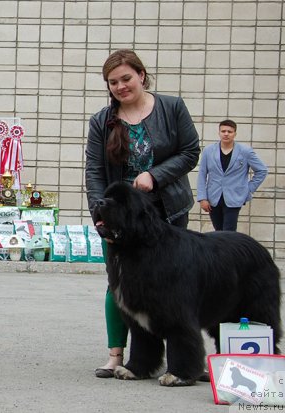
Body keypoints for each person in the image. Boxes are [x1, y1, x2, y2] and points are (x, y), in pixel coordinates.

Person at [84, 49, 200, 378]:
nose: (121, 86)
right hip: (122, 218)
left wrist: (156, 175)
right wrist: (100, 212)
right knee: (119, 285)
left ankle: (183, 357)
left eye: (126, 78)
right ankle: (117, 356)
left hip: (168, 210)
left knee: (174, 286)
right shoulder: (101, 122)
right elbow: (94, 171)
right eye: (113, 82)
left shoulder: (171, 107)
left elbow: (191, 151)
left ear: (141, 76)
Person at [197, 120, 267, 231]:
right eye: (223, 131)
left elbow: (262, 170)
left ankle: (229, 249)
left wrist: (248, 190)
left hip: (235, 197)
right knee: (218, 231)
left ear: (235, 133)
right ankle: (221, 249)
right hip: (213, 197)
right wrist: (202, 198)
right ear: (219, 132)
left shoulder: (245, 151)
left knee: (229, 232)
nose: (226, 134)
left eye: (229, 131)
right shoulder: (208, 151)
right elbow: (202, 174)